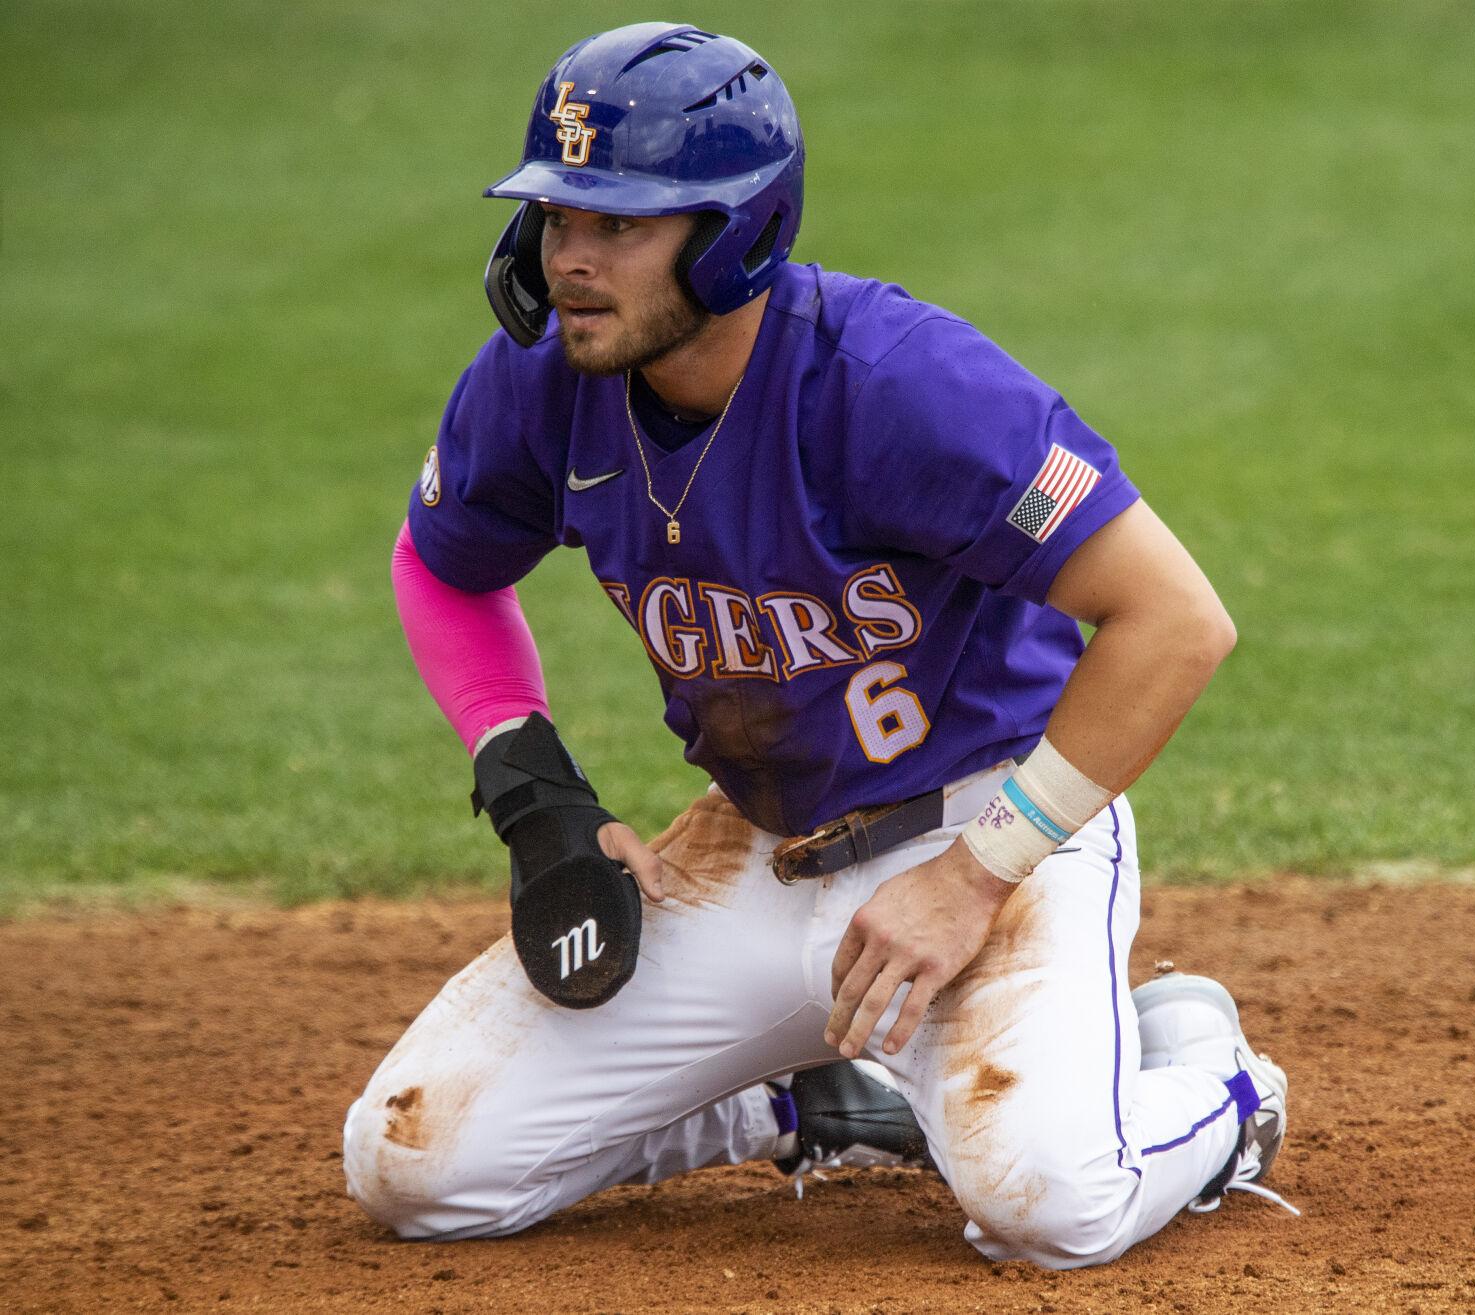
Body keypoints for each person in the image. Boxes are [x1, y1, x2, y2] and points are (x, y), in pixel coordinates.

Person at [343, 22, 1297, 1270]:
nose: (568, 260)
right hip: (756, 845)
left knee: (1050, 1203)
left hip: (990, 829)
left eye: (617, 225)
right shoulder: (539, 383)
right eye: (555, 217)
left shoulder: (896, 383)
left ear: (736, 232)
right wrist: (537, 795)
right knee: (413, 1164)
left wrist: (976, 879)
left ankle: (1210, 1083)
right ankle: (816, 1097)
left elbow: (1175, 619)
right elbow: (442, 566)